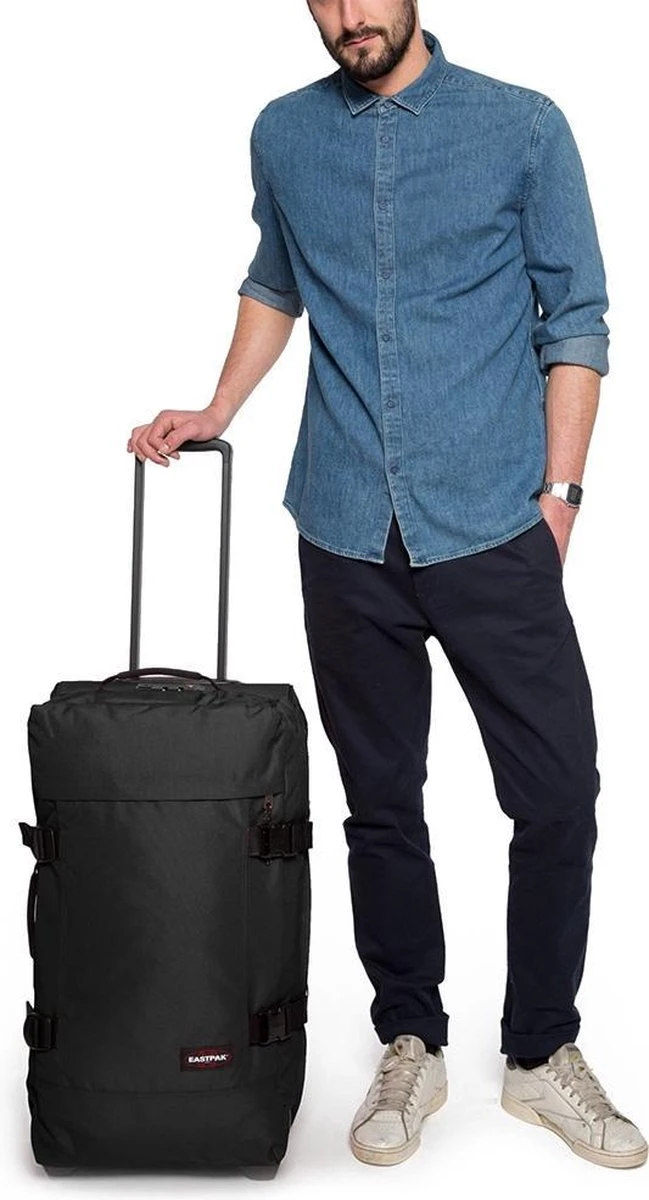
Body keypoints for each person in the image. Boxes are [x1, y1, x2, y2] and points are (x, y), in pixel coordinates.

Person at [127, 1, 647, 1172]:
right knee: (379, 803)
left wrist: (560, 498)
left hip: (494, 522)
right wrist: (216, 409)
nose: (349, 16)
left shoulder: (522, 127)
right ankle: (410, 1036)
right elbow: (275, 283)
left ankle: (539, 1052)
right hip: (345, 521)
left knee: (557, 794)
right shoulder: (284, 131)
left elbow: (577, 317)